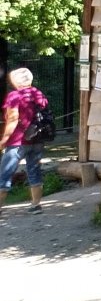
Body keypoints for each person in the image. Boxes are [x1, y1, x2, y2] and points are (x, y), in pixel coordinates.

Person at [1, 66, 48, 214]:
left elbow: (13, 119)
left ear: (16, 81)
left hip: (17, 141)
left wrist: (3, 140)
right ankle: (36, 205)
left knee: (4, 174)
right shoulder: (38, 93)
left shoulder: (14, 96)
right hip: (37, 139)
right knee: (34, 171)